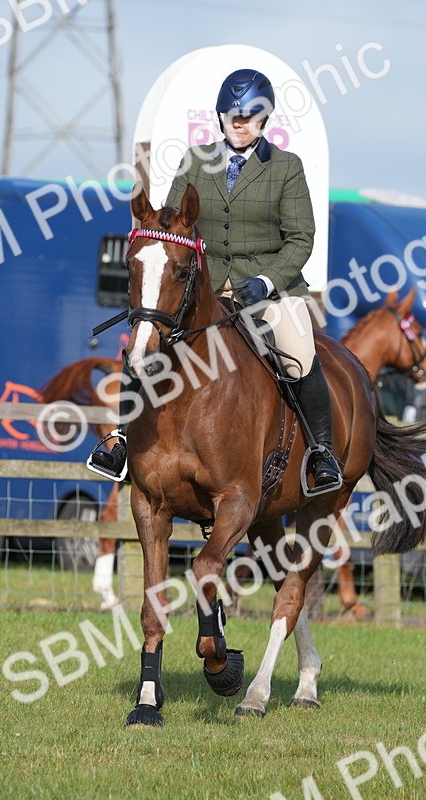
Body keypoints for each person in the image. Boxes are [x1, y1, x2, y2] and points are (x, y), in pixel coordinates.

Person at [90, 68, 342, 494]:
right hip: (202, 286)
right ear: (220, 117)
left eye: (248, 118)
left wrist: (266, 280)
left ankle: (321, 452)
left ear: (265, 120)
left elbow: (302, 239)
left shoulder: (287, 168)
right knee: (145, 336)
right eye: (232, 117)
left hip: (268, 288)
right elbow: (170, 226)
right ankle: (120, 439)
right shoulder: (195, 160)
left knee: (298, 351)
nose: (239, 125)